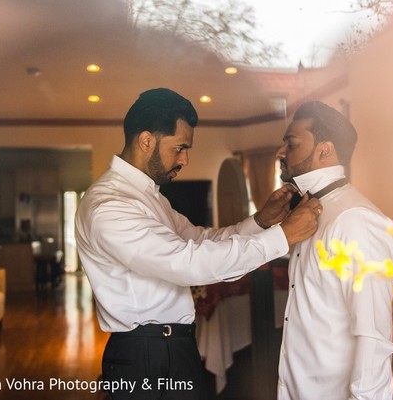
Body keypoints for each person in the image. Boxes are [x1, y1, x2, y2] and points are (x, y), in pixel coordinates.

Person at [74, 87, 322, 400]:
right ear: (146, 140)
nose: (185, 159)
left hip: (170, 349)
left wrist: (261, 221)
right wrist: (283, 236)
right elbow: (188, 263)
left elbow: (200, 240)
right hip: (148, 359)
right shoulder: (110, 205)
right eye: (179, 148)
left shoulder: (148, 197)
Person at [275, 101, 393, 400]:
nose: (282, 153)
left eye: (291, 144)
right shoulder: (308, 213)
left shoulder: (358, 220)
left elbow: (373, 338)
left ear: (324, 150)